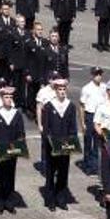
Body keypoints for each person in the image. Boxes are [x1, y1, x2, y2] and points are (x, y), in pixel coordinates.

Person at [41, 78, 78, 210]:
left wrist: (72, 142)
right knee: (51, 173)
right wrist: (50, 142)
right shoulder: (49, 106)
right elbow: (46, 128)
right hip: (52, 146)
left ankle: (61, 199)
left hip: (65, 146)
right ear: (55, 91)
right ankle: (50, 200)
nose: (62, 92)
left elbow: (73, 127)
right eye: (59, 90)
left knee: (63, 173)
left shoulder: (71, 106)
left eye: (63, 89)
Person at [0, 86, 25, 214]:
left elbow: (21, 133)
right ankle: (0, 203)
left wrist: (20, 147)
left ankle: (9, 203)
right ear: (2, 99)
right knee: (1, 178)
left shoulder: (17, 114)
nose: (8, 99)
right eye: (6, 97)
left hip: (13, 152)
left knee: (10, 177)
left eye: (10, 97)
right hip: (1, 152)